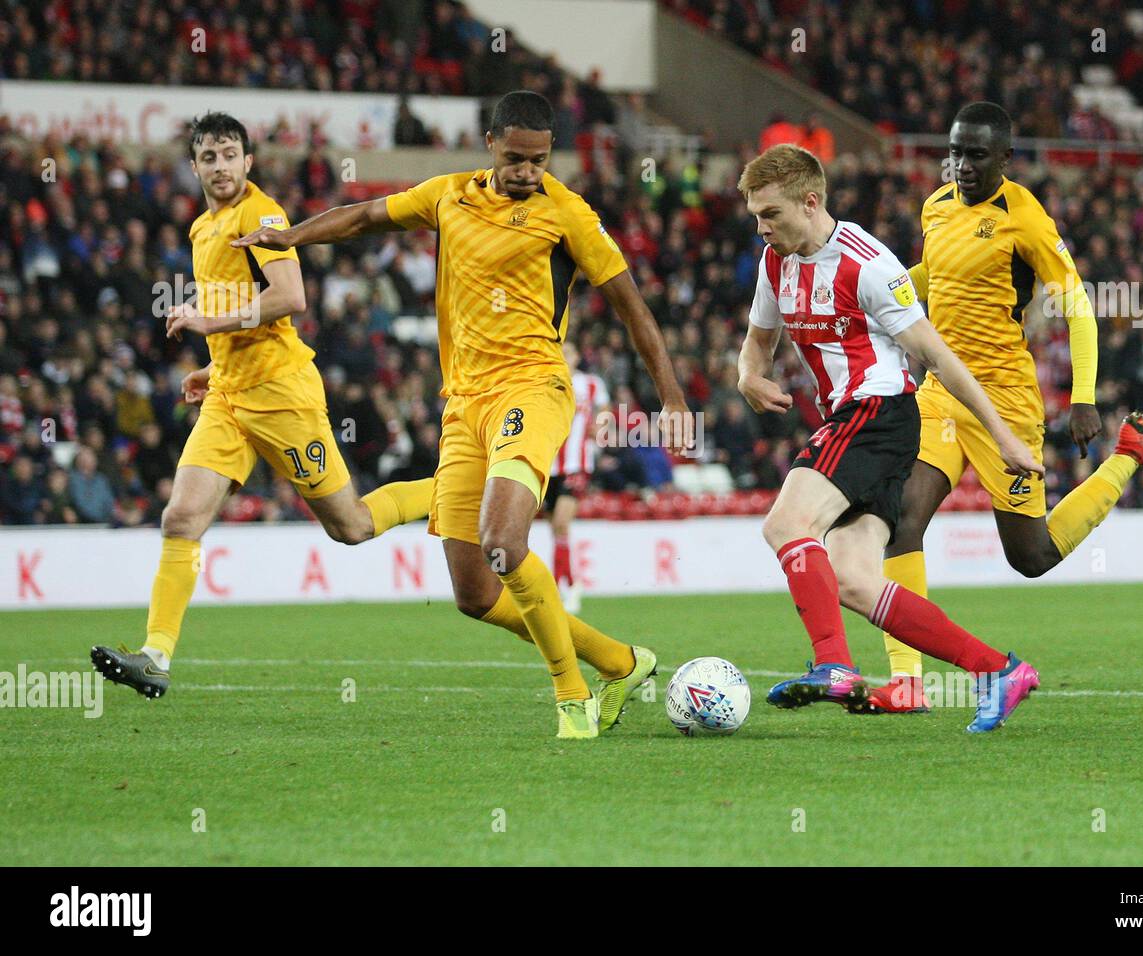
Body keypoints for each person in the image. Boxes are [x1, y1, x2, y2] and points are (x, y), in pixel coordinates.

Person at [233, 91, 693, 739]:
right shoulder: (449, 195)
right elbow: (366, 216)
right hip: (463, 407)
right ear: (490, 144)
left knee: (505, 544)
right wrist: (292, 236)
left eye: (538, 160)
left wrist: (670, 395)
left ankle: (572, 699)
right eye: (514, 158)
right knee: (475, 594)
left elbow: (630, 305)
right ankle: (622, 663)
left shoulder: (568, 214)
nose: (526, 172)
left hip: (532, 391)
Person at [91, 112, 436, 700]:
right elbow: (238, 311)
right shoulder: (203, 228)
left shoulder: (263, 213)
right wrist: (212, 362)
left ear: (247, 162)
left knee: (350, 526)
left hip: (281, 394)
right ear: (195, 166)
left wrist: (207, 321)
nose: (220, 166)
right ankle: (155, 655)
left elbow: (291, 297)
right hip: (229, 395)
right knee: (181, 519)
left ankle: (448, 489)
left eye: (230, 155)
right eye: (209, 157)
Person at [873, 103, 1143, 713]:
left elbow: (1077, 307)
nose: (962, 165)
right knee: (900, 518)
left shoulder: (1028, 220)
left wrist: (1084, 397)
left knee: (1032, 557)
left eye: (977, 155)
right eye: (956, 151)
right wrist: (873, 294)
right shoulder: (936, 206)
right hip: (941, 391)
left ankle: (1129, 454)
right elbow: (933, 279)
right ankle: (906, 682)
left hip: (1006, 403)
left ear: (1006, 159)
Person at [737, 143, 1043, 733]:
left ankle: (834, 666)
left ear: (811, 200)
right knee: (853, 579)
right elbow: (756, 343)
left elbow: (936, 354)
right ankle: (997, 670)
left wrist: (1004, 438)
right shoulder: (775, 264)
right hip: (852, 421)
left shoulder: (868, 264)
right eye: (755, 215)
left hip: (879, 412)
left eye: (771, 214)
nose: (761, 228)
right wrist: (749, 376)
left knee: (784, 525)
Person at [544, 341, 610, 614]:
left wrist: (601, 426)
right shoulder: (544, 382)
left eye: (568, 353)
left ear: (577, 356)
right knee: (556, 531)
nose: (563, 357)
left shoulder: (590, 384)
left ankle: (565, 588)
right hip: (547, 467)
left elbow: (605, 409)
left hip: (577, 465)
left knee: (561, 523)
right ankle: (567, 585)